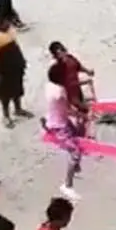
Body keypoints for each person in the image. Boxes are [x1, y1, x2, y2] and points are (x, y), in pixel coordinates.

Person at [0, 9, 33, 127]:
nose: (9, 24)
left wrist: (21, 61)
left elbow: (15, 45)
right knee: (5, 94)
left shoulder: (10, 30)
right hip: (4, 70)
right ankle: (6, 116)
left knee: (17, 89)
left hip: (15, 67)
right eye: (6, 22)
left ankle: (18, 109)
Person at [43, 64, 84, 201]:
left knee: (78, 135)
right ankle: (67, 184)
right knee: (75, 152)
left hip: (55, 119)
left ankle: (75, 166)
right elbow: (67, 110)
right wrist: (81, 114)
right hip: (59, 125)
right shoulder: (61, 92)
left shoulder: (49, 86)